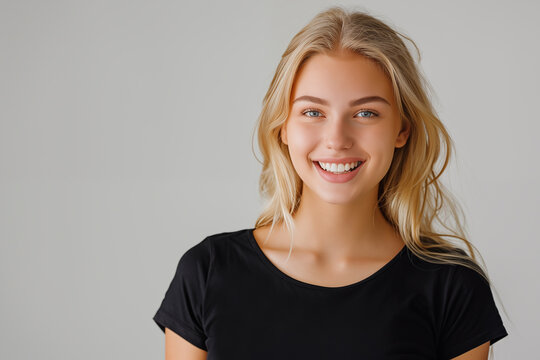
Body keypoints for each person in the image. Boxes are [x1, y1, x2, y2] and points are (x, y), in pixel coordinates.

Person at [153, 6, 508, 359]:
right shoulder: (207, 272)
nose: (337, 139)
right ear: (283, 128)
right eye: (313, 112)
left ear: (402, 130)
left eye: (366, 113)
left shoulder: (453, 286)